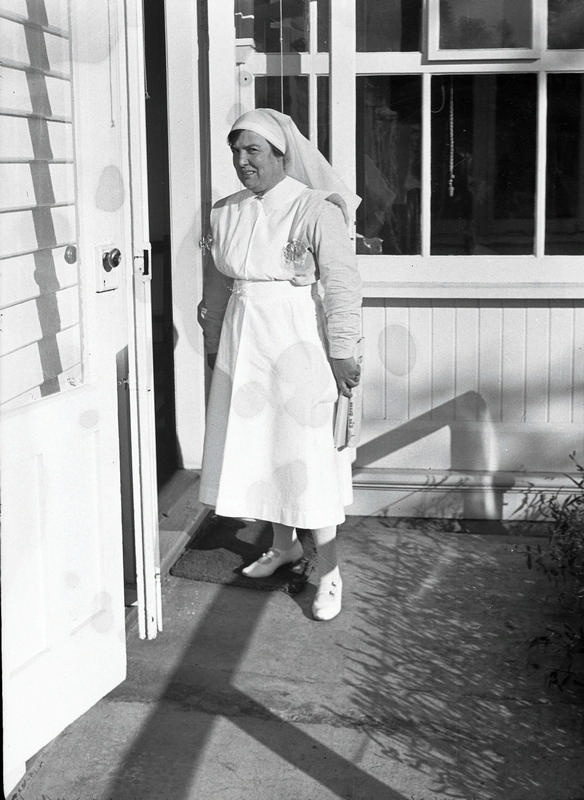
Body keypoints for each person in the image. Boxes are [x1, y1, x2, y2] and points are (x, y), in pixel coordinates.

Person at [198, 108, 362, 621]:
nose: (242, 161)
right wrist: (210, 340)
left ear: (280, 155)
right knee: (264, 449)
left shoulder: (316, 207)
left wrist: (343, 349)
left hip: (298, 343)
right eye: (236, 150)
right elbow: (217, 284)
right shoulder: (225, 211)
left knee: (306, 453)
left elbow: (340, 285)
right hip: (243, 342)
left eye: (253, 151)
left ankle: (329, 572)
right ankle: (285, 546)